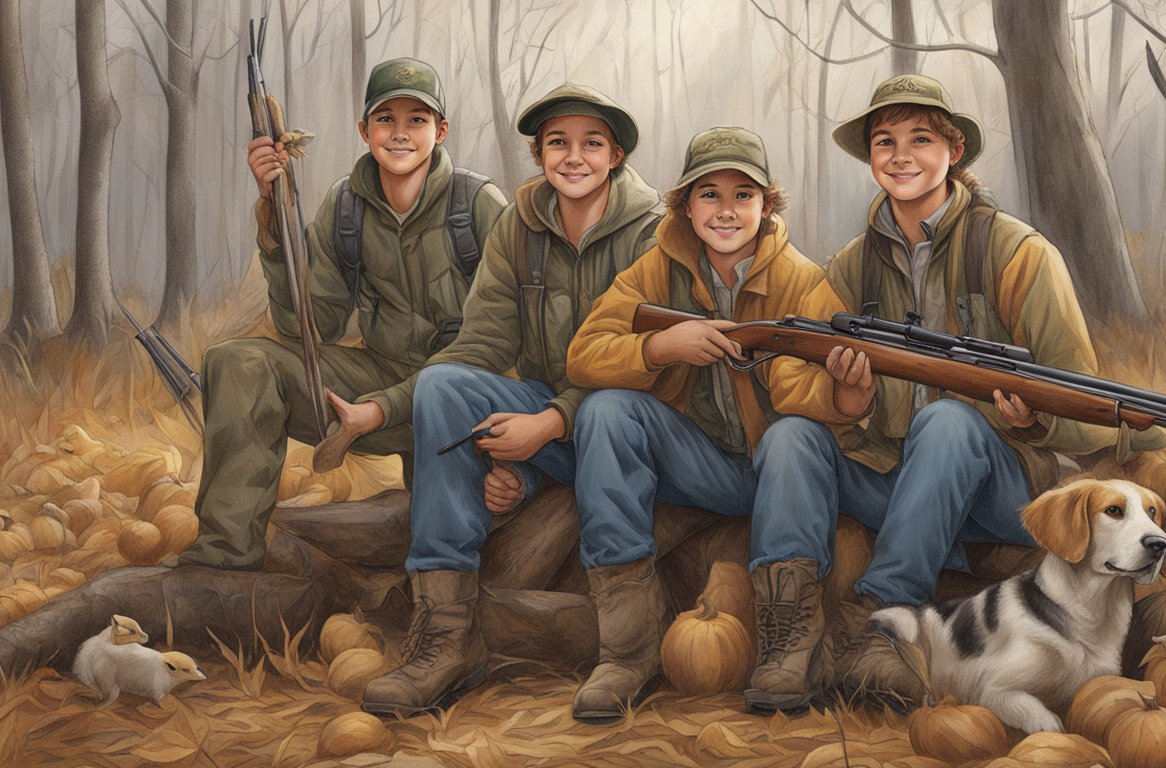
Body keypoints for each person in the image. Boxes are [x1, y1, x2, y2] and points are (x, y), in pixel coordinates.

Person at [799, 73, 1166, 705]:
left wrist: (1034, 422)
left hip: (1006, 489)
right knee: (795, 438)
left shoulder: (1017, 252)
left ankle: (884, 626)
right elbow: (811, 391)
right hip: (899, 483)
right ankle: (795, 641)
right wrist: (841, 401)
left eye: (920, 138)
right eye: (884, 142)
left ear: (956, 153)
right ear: (871, 161)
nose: (901, 156)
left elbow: (1086, 400)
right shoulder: (848, 267)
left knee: (948, 424)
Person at [359, 84, 662, 717]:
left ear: (618, 155)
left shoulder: (656, 233)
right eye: (558, 143)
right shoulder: (518, 227)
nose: (573, 157)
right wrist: (394, 404)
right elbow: (481, 342)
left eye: (591, 143)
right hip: (553, 420)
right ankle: (447, 635)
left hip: (633, 424)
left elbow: (650, 365)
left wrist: (549, 424)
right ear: (538, 153)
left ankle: (628, 652)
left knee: (606, 412)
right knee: (446, 384)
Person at [565, 127, 869, 719]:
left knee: (790, 434)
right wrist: (661, 348)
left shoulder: (804, 281)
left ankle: (791, 649)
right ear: (684, 205)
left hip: (783, 473)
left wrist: (843, 395)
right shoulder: (655, 270)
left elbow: (806, 394)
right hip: (698, 464)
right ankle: (627, 650)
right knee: (603, 410)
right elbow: (585, 354)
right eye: (709, 194)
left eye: (744, 195)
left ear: (766, 205)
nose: (727, 211)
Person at [175, 58, 507, 570]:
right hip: (375, 383)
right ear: (364, 130)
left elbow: (506, 336)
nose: (399, 134)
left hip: (463, 401)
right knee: (237, 361)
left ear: (440, 131)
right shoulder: (346, 205)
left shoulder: (479, 206)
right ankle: (224, 560)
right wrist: (275, 215)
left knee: (458, 546)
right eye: (385, 119)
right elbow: (310, 325)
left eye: (416, 120)